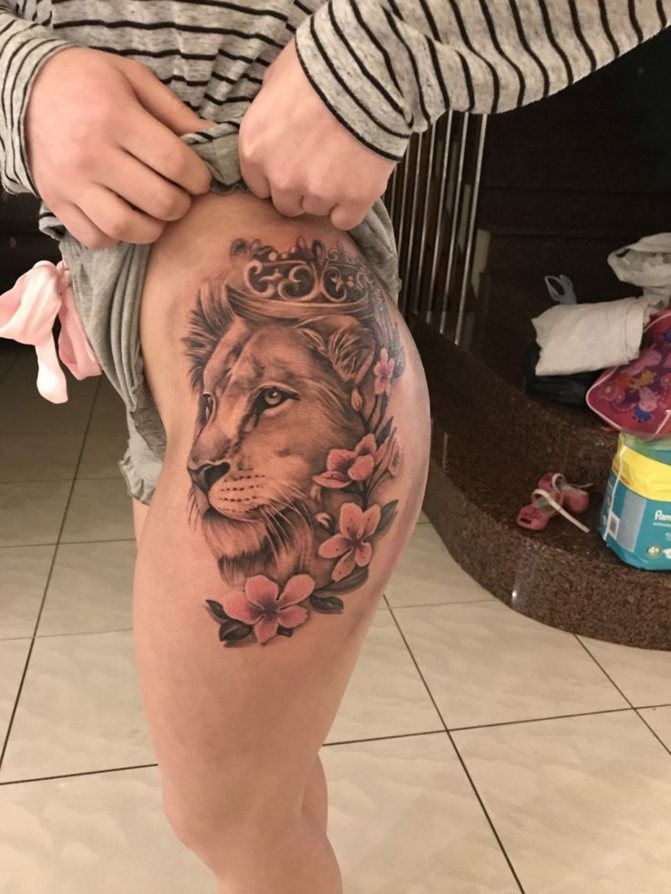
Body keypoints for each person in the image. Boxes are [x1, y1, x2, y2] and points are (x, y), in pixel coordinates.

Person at [0, 2, 668, 892]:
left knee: (221, 815)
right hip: (149, 331)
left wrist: (382, 51)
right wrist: (23, 81)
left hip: (265, 255)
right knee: (267, 781)